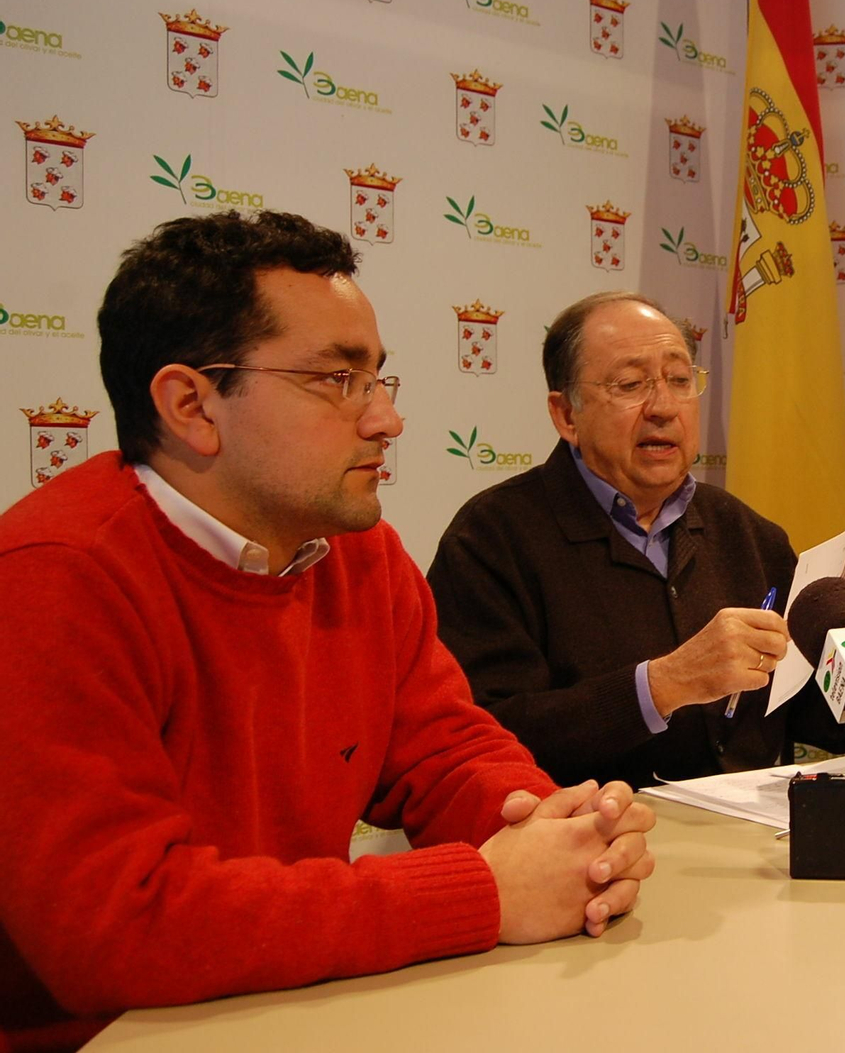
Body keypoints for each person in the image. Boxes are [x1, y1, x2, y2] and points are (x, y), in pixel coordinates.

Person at [0, 212, 654, 1052]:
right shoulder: (54, 579)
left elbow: (444, 751)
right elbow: (119, 923)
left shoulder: (359, 553)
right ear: (191, 405)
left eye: (380, 379)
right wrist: (481, 890)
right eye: (337, 381)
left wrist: (561, 836)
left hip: (287, 1012)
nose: (386, 420)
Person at [426, 291, 845, 788]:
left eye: (679, 380)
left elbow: (831, 722)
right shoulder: (491, 539)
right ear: (567, 415)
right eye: (630, 385)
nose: (663, 407)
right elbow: (477, 740)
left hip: (743, 849)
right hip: (588, 850)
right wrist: (660, 687)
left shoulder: (747, 534)